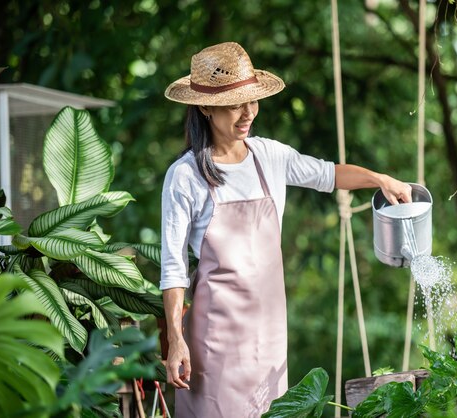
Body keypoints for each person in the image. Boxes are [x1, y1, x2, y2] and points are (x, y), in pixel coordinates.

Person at [160, 41, 412, 418]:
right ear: (205, 107)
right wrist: (177, 340)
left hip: (270, 335)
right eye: (235, 103)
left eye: (252, 101)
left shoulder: (270, 156)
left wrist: (381, 179)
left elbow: (329, 174)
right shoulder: (185, 176)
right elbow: (173, 267)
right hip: (215, 341)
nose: (248, 113)